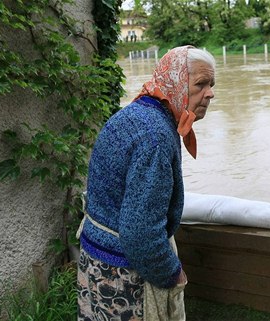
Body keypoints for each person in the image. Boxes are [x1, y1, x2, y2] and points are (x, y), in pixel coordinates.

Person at [77, 45, 216, 320]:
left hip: (94, 256)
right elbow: (141, 233)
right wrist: (172, 273)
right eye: (201, 84)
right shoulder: (156, 137)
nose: (210, 93)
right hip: (120, 275)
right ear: (175, 82)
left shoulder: (137, 113)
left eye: (212, 84)